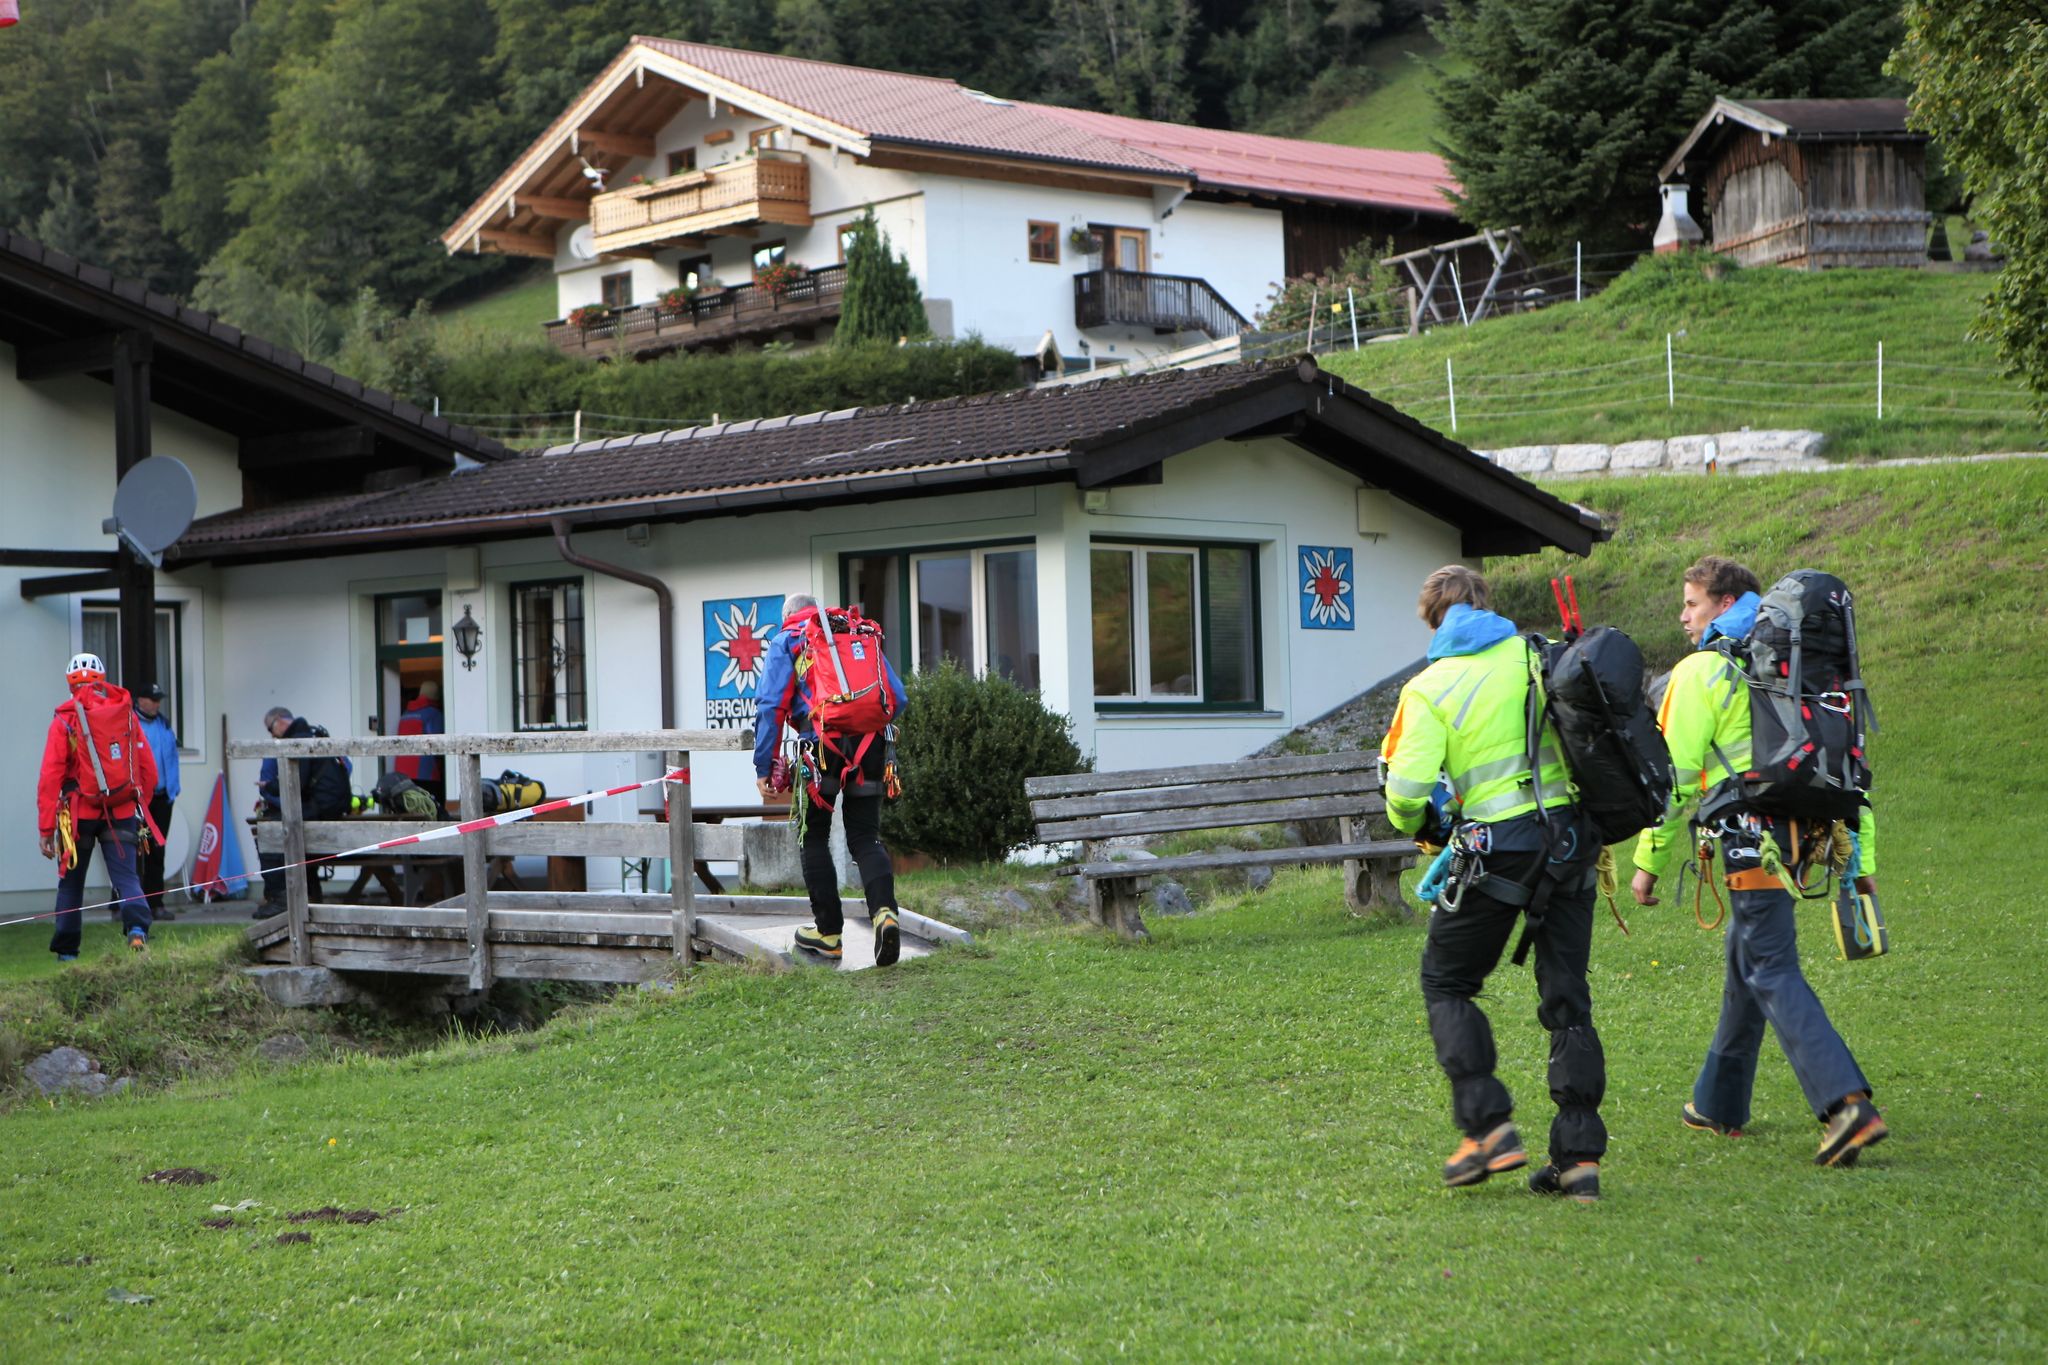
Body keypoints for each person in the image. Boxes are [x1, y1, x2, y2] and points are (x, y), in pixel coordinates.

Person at [1631, 556, 1888, 1167]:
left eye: (1691, 603)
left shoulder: (1703, 671)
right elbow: (1850, 770)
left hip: (1752, 841)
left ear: (1725, 603)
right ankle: (1717, 1102)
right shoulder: (1800, 671)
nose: (1683, 616)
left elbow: (1675, 779)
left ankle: (1846, 1106)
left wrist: (1648, 860)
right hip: (1808, 836)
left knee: (1770, 965)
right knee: (1746, 957)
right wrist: (1861, 863)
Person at [1380, 566, 1607, 1201]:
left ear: (1435, 619)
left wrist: (1420, 824)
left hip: (1495, 852)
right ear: (1487, 605)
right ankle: (1579, 1160)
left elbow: (1406, 794)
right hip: (1570, 843)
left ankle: (1488, 1128)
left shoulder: (1429, 687)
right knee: (1568, 1000)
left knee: (1447, 982)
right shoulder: (1540, 656)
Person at [753, 594, 909, 967]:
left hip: (819, 749)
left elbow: (771, 705)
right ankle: (885, 914)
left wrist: (764, 764)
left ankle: (828, 934)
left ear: (788, 615)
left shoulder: (789, 639)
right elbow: (898, 698)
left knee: (814, 836)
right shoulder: (855, 634)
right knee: (865, 837)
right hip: (871, 746)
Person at [38, 653, 158, 958]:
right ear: (102, 680)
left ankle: (67, 952)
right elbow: (148, 769)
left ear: (70, 684)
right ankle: (137, 929)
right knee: (127, 877)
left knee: (71, 884)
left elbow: (50, 775)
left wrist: (46, 828)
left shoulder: (64, 718)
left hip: (78, 813)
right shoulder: (124, 713)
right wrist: (139, 803)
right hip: (121, 809)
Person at [253, 706, 351, 916]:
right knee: (280, 832)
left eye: (270, 729)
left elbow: (296, 781)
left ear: (280, 721)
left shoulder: (297, 742)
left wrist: (269, 787)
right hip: (333, 812)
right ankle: (301, 893)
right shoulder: (317, 736)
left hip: (320, 813)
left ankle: (280, 900)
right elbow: (347, 767)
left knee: (269, 835)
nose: (272, 736)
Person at [134, 683, 181, 922]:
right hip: (139, 800)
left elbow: (171, 758)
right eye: (153, 699)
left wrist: (174, 789)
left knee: (157, 851)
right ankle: (127, 904)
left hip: (163, 798)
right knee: (135, 851)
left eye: (158, 699)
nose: (157, 704)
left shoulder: (163, 724)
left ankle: (155, 903)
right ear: (140, 700)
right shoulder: (130, 723)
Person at [391, 679, 445, 805]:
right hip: (426, 772)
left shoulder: (405, 714)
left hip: (402, 772)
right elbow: (438, 743)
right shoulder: (433, 714)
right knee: (429, 806)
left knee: (410, 806)